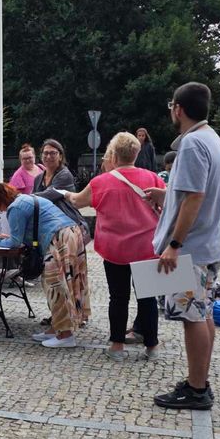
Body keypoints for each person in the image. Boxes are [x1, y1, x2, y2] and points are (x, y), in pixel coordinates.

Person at [145, 82, 220, 410]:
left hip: (192, 247)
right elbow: (194, 192)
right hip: (208, 244)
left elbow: (195, 197)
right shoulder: (211, 139)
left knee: (192, 316)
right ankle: (200, 381)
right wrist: (166, 196)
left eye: (171, 105)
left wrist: (174, 244)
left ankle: (196, 390)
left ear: (178, 109)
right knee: (203, 312)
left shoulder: (193, 143)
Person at [67, 132, 165, 361]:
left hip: (115, 250)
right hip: (146, 247)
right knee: (148, 298)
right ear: (136, 153)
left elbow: (77, 201)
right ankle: (152, 346)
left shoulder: (101, 182)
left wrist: (65, 193)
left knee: (118, 298)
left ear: (113, 154)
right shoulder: (153, 178)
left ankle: (117, 346)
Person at [0, 183, 87, 347]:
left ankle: (66, 335)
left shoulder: (15, 207)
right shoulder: (26, 199)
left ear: (1, 200)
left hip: (58, 239)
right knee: (67, 283)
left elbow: (14, 243)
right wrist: (10, 238)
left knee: (56, 285)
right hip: (70, 233)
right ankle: (57, 328)